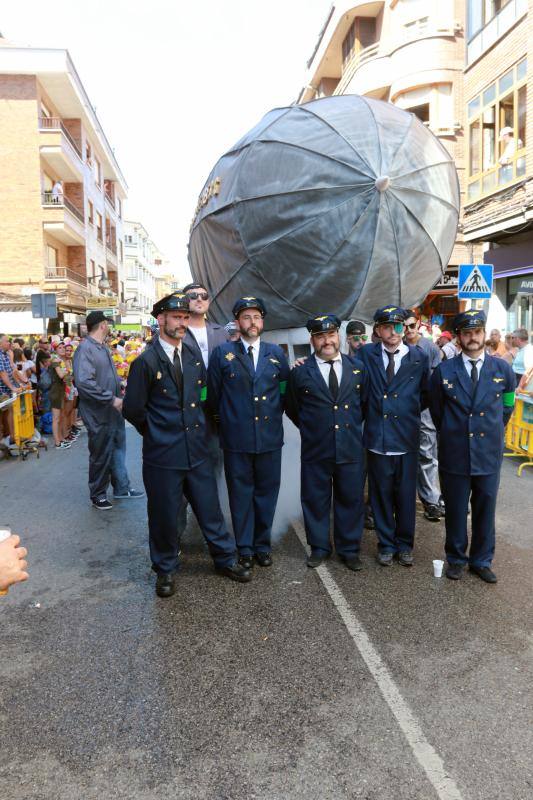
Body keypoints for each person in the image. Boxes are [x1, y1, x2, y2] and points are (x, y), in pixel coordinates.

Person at [123, 292, 250, 597]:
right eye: (176, 318)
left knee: (210, 510)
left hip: (197, 450)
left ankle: (224, 558)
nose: (181, 323)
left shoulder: (192, 359)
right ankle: (165, 570)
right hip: (163, 456)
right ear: (161, 320)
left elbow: (204, 398)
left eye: (184, 318)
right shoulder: (145, 362)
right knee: (165, 516)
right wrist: (156, 433)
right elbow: (133, 409)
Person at [430, 310, 516, 583]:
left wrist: (491, 429)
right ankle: (455, 559)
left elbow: (508, 404)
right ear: (459, 337)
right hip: (455, 453)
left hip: (488, 453)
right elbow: (437, 411)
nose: (472, 338)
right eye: (466, 333)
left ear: (483, 334)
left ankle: (481, 560)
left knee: (485, 509)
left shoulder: (502, 368)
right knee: (455, 510)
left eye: (477, 332)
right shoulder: (444, 371)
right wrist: (456, 432)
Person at [208, 297, 290, 569]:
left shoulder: (276, 354)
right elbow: (213, 396)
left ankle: (262, 545)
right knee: (240, 495)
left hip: (268, 438)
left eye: (257, 317)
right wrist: (226, 425)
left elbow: (283, 393)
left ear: (262, 322)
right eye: (246, 317)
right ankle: (244, 546)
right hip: (237, 439)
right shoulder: (223, 354)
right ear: (238, 322)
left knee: (267, 494)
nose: (252, 322)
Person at [286, 314, 368, 570]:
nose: (327, 341)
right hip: (316, 448)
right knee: (315, 499)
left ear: (339, 337)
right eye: (320, 336)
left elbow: (363, 405)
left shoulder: (358, 369)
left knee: (350, 498)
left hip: (350, 446)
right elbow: (292, 407)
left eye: (331, 335)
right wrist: (314, 428)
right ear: (312, 340)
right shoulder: (300, 372)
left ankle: (349, 548)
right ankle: (319, 547)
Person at [358, 306, 430, 567]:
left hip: (406, 439)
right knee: (381, 496)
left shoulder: (418, 357)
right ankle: (386, 544)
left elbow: (424, 395)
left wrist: (405, 413)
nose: (394, 331)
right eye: (387, 326)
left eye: (399, 326)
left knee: (406, 497)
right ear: (377, 330)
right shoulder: (366, 354)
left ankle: (405, 545)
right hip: (377, 438)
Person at [73, 311, 142, 510]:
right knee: (100, 453)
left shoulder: (102, 348)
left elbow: (107, 376)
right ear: (103, 325)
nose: (109, 327)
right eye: (108, 324)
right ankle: (98, 494)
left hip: (113, 409)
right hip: (98, 412)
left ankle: (122, 486)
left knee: (118, 449)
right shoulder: (85, 349)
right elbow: (84, 382)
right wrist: (110, 398)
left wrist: (120, 387)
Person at [404, 311, 444, 522]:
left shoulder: (430, 347)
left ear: (417, 324)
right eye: (404, 327)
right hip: (403, 407)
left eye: (411, 326)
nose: (408, 331)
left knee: (427, 453)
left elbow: (436, 379)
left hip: (425, 407)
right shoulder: (396, 345)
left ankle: (430, 500)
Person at [182, 282, 227, 368]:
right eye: (193, 296)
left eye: (204, 296)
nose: (199, 299)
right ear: (183, 301)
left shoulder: (222, 332)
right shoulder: (174, 332)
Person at [0, 333, 23, 448]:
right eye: (6, 341)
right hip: (2, 392)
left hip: (7, 391)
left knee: (9, 415)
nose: (9, 343)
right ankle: (9, 440)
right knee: (5, 417)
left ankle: (11, 440)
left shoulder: (5, 354)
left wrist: (19, 384)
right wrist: (13, 387)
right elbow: (3, 375)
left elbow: (12, 372)